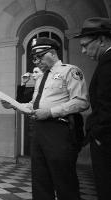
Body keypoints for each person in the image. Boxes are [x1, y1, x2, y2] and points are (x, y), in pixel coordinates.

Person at [1, 37, 89, 200]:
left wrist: (50, 112)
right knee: (40, 179)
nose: (36, 61)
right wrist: (14, 105)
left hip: (59, 130)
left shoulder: (69, 71)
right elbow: (34, 105)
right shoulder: (41, 77)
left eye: (39, 57)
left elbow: (81, 102)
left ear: (53, 53)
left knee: (64, 179)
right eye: (34, 58)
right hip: (39, 130)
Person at [74, 17, 111, 200]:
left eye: (85, 45)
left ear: (102, 40)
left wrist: (98, 137)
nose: (82, 50)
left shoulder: (108, 64)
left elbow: (106, 105)